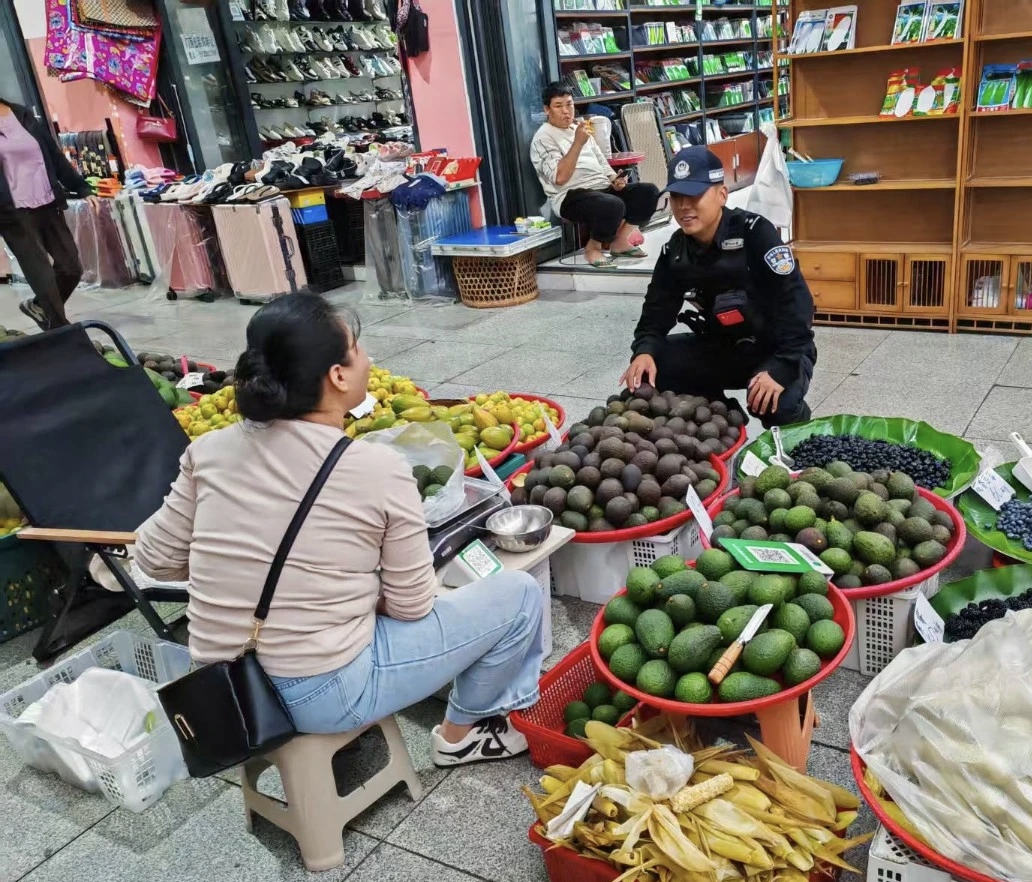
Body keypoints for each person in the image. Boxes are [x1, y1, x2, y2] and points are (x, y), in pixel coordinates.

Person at [133, 292, 542, 766]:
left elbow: (154, 559)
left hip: (222, 688)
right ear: (338, 375)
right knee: (519, 596)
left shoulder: (207, 452)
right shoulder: (378, 467)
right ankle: (459, 736)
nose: (367, 358)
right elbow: (411, 607)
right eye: (358, 348)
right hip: (322, 695)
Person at [621, 146, 818, 426]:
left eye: (694, 195)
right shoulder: (675, 251)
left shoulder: (755, 234)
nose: (684, 206)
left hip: (775, 348)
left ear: (722, 195)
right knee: (655, 367)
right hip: (721, 347)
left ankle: (797, 431)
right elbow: (655, 313)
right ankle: (722, 417)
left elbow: (797, 305)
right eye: (676, 197)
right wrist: (643, 351)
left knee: (776, 404)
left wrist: (782, 367)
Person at [530, 81, 660, 269]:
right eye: (558, 106)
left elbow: (601, 161)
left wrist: (614, 179)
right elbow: (560, 178)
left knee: (648, 191)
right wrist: (577, 143)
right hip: (569, 195)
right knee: (611, 204)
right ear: (547, 109)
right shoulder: (543, 137)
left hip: (600, 188)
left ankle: (620, 242)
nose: (566, 111)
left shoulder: (580, 129)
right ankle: (593, 248)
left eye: (569, 104)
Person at [0, 99, 91, 330]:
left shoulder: (20, 113)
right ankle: (61, 333)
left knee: (71, 267)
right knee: (43, 276)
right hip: (12, 213)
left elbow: (52, 153)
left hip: (47, 201)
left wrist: (79, 186)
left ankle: (39, 306)